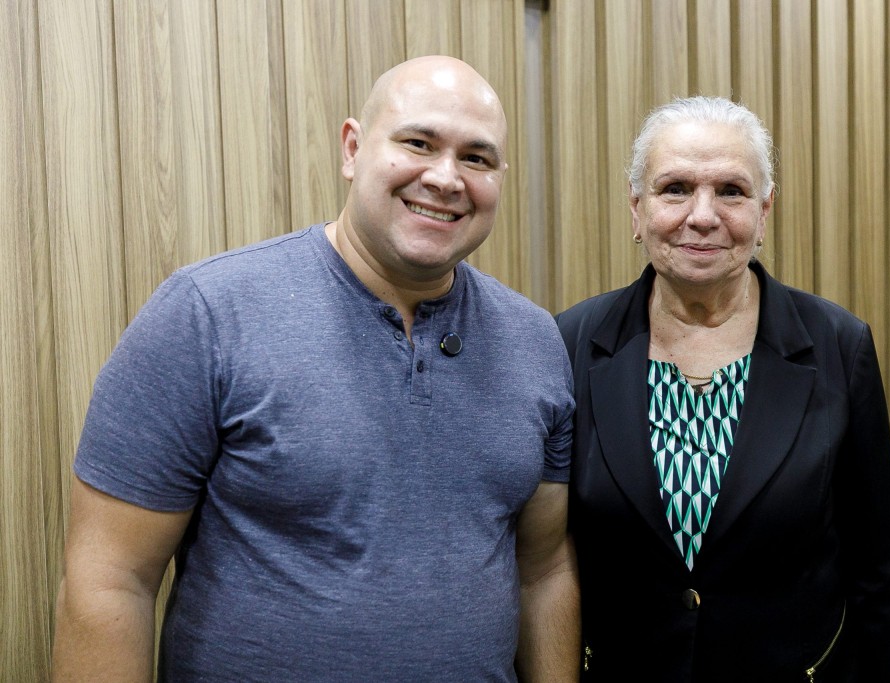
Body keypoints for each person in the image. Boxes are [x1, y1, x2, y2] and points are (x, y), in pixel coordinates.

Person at [53, 55, 578, 682]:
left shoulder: (535, 340)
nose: (445, 177)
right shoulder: (207, 314)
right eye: (418, 143)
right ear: (353, 148)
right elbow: (110, 578)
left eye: (476, 158)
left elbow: (543, 570)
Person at [556, 96, 890, 681]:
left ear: (764, 210)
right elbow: (547, 554)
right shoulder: (571, 341)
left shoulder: (837, 343)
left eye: (731, 190)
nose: (702, 215)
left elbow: (882, 568)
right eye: (675, 189)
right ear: (636, 209)